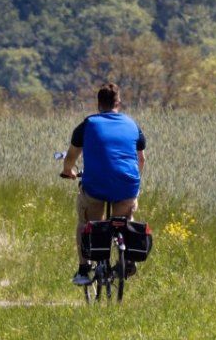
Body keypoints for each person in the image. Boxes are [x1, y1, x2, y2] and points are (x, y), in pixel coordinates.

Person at [59, 82, 147, 285]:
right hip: (127, 184)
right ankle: (129, 256)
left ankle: (83, 269)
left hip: (95, 185)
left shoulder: (87, 125)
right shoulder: (133, 125)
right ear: (119, 103)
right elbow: (141, 159)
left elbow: (71, 157)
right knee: (124, 218)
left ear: (98, 104)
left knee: (86, 223)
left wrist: (68, 172)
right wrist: (133, 180)